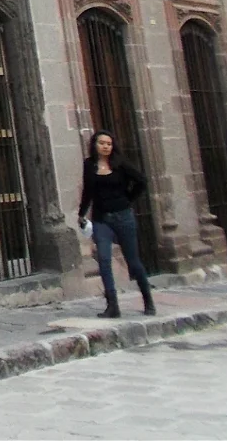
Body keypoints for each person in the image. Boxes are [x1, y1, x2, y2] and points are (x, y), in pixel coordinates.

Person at [77, 130, 156, 318]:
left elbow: (141, 181)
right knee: (104, 259)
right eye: (102, 143)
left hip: (123, 217)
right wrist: (81, 213)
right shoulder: (89, 165)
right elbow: (88, 190)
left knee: (133, 261)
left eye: (109, 143)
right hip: (101, 219)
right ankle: (112, 305)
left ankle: (148, 300)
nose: (106, 146)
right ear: (94, 145)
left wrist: (128, 199)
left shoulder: (120, 164)